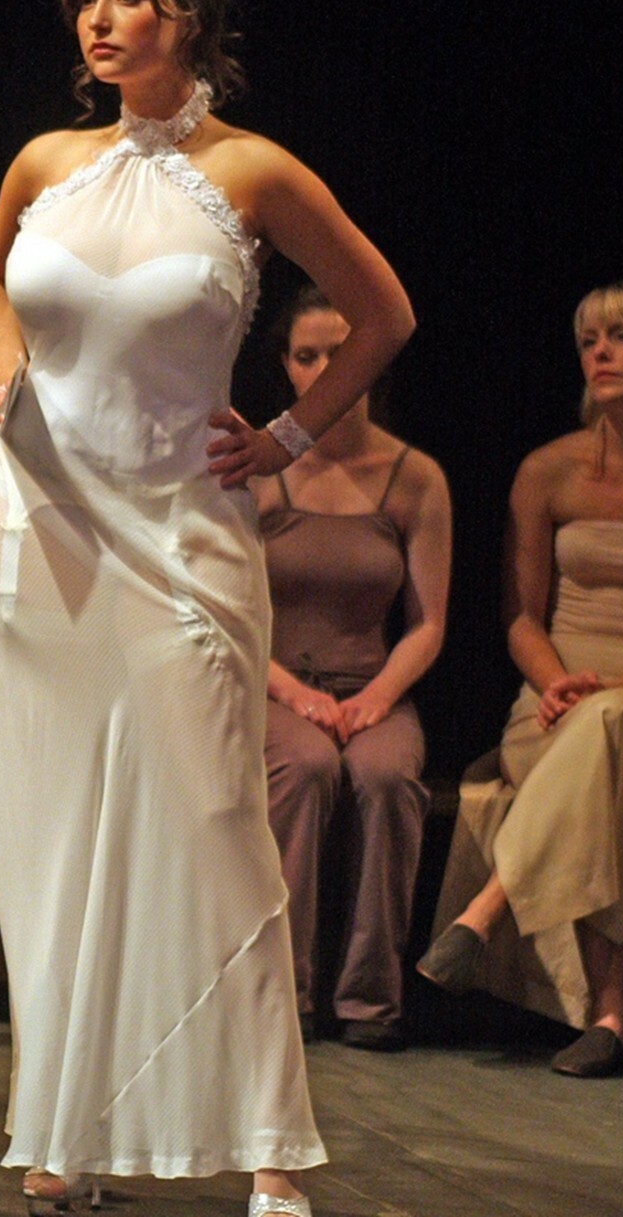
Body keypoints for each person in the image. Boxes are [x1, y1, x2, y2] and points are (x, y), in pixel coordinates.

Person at [0, 0, 415, 1217]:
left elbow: (384, 313)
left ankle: (271, 1146)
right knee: (58, 835)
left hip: (179, 530)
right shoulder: (47, 160)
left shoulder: (254, 171)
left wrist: (284, 439)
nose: (101, 19)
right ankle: (69, 1128)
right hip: (36, 520)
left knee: (215, 824)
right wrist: (10, 375)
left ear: (191, 14)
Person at [417, 280, 623, 1077]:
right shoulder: (547, 470)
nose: (600, 353)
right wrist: (557, 682)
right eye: (589, 339)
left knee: (612, 728)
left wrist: (611, 692)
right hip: (552, 702)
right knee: (601, 759)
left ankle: (488, 906)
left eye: (622, 336)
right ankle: (609, 1014)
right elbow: (522, 617)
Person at [256, 286, 451, 1052]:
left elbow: (428, 623)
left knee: (386, 776)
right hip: (273, 685)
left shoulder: (414, 476)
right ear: (287, 367)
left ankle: (372, 1000)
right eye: (308, 355)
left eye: (340, 352)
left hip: (373, 689)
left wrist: (378, 695)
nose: (326, 368)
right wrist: (293, 692)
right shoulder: (262, 470)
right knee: (306, 769)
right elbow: (226, 610)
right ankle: (285, 992)